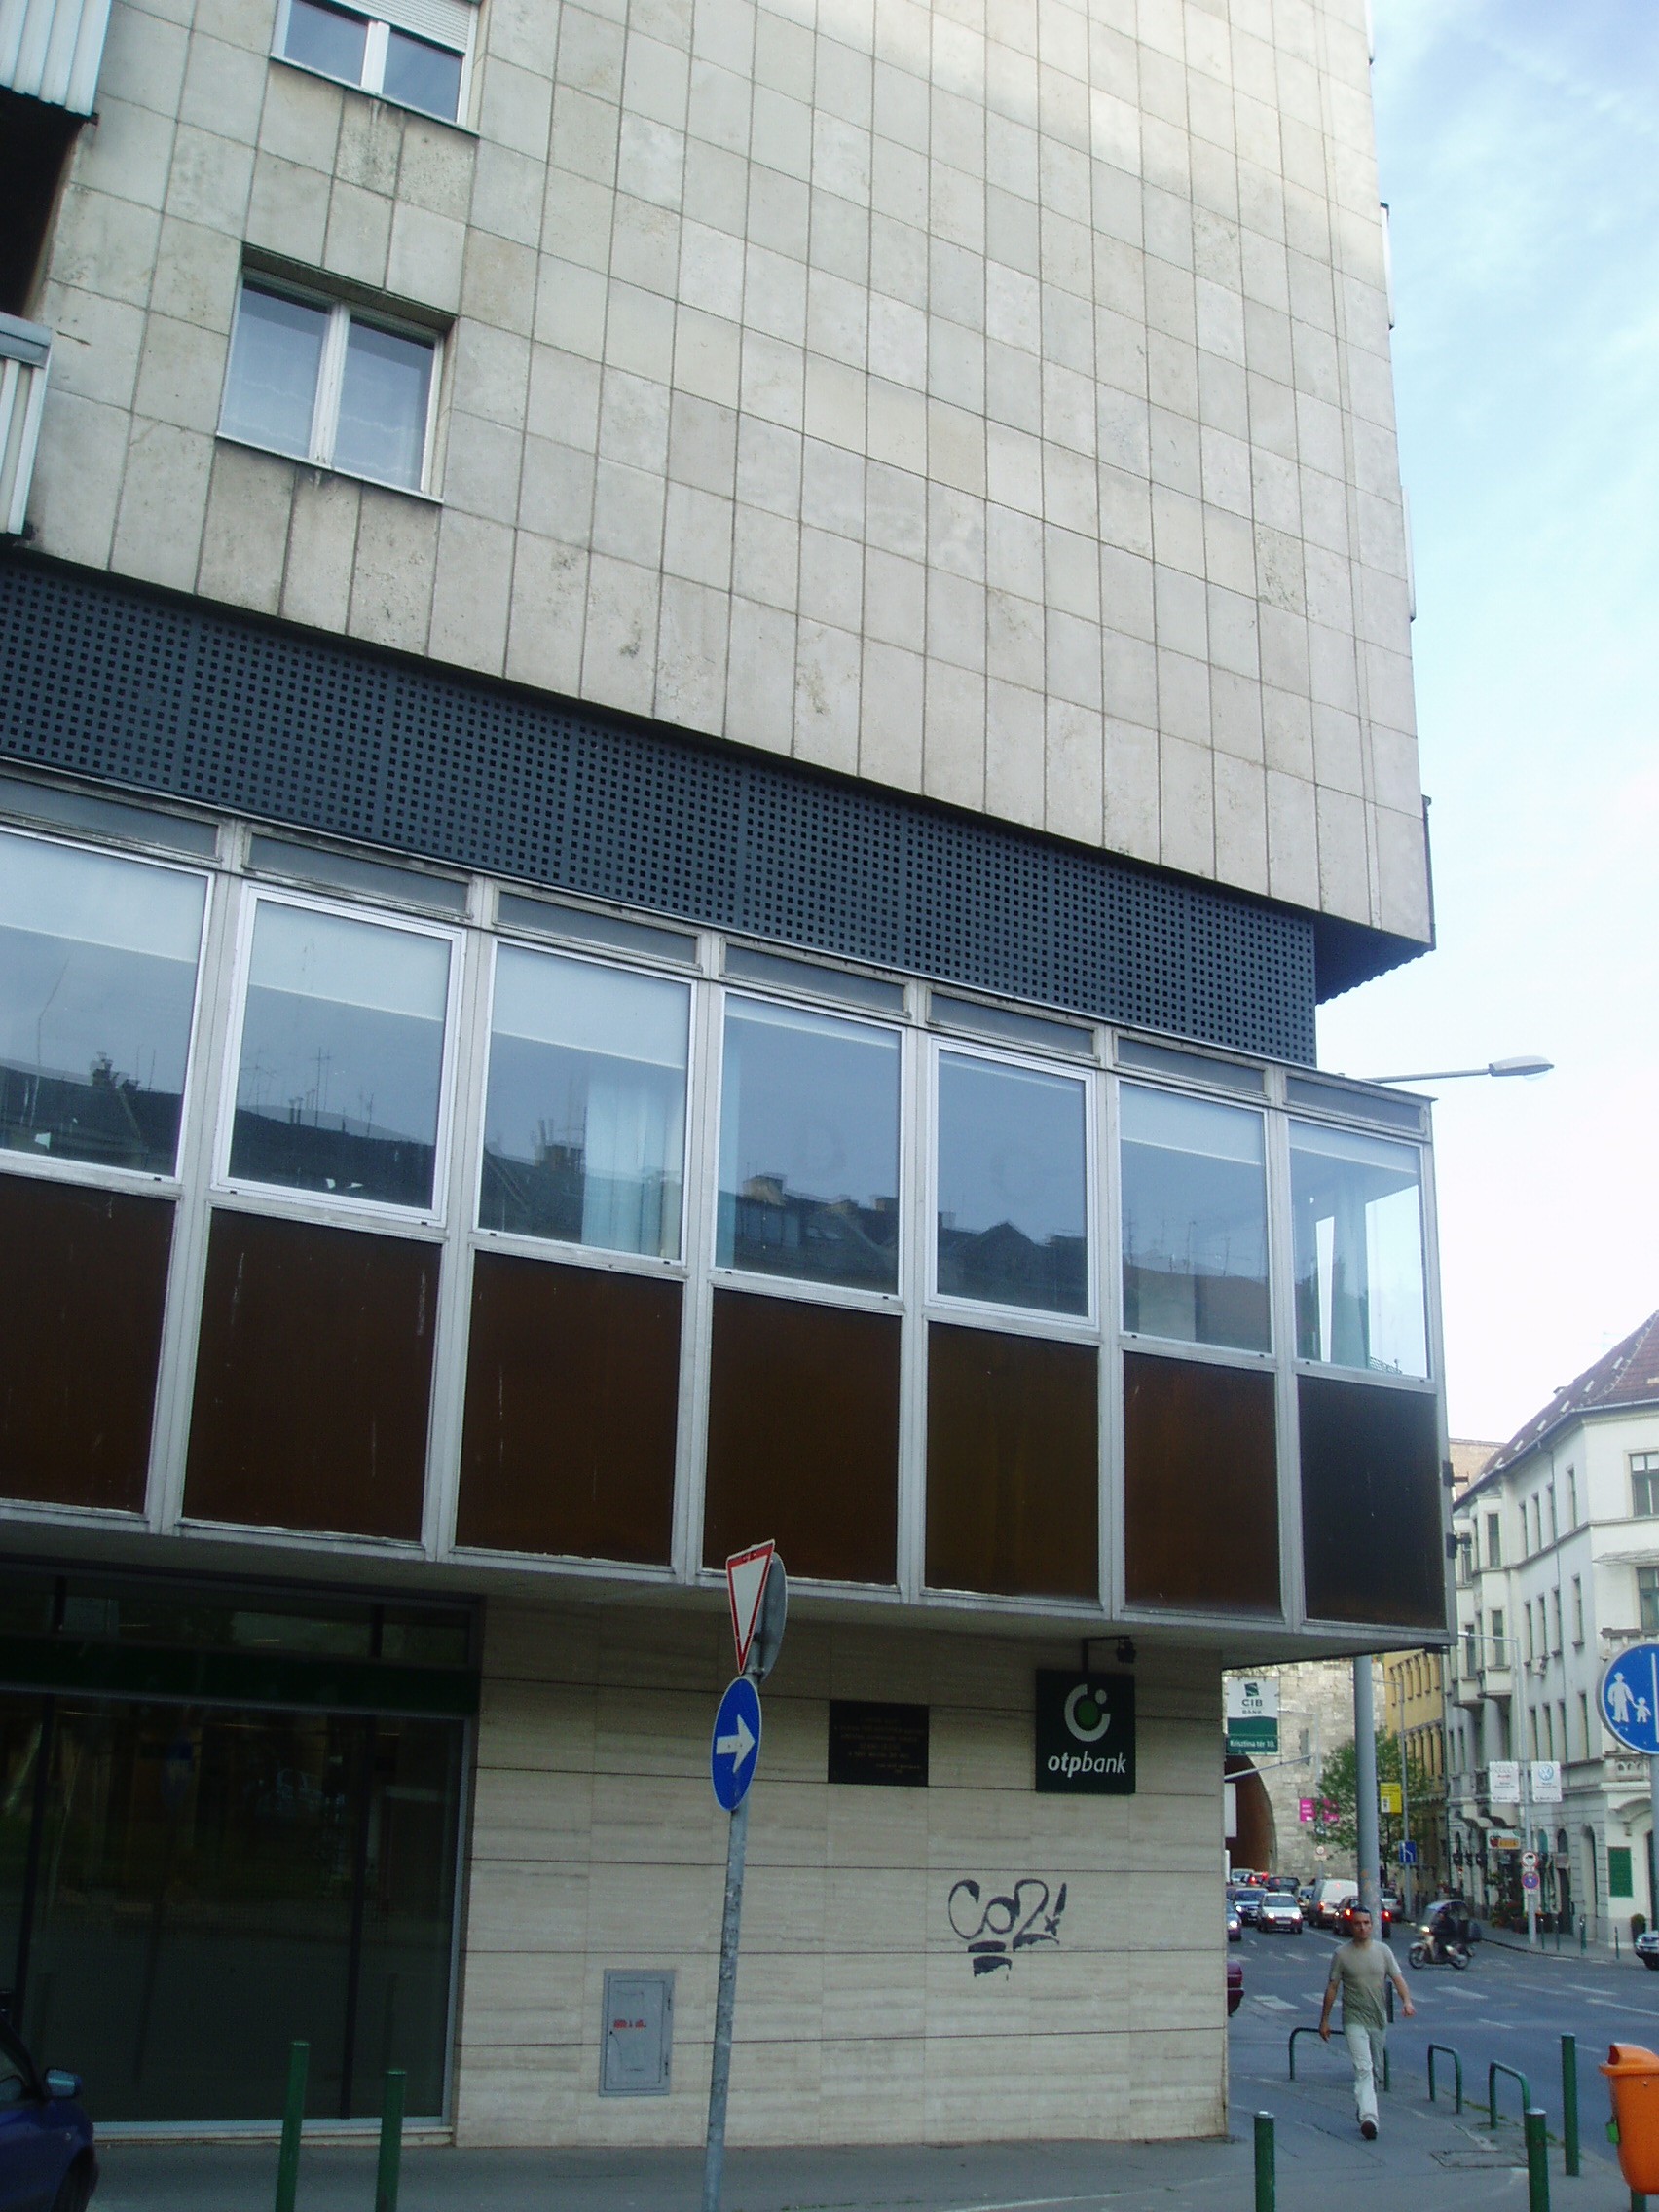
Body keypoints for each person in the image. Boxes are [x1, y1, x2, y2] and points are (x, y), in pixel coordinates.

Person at [1318, 1903, 1414, 2139]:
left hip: (1378, 2018)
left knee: (1374, 2070)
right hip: (1353, 2018)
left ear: (1372, 1926)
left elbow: (1398, 1978)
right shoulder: (1342, 1954)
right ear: (1351, 1926)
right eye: (1358, 1924)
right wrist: (1325, 2020)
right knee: (1363, 2068)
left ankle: (1364, 2105)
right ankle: (1369, 2118)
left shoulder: (1383, 1951)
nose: (1362, 1927)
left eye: (1366, 1923)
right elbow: (1332, 1988)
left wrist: (1407, 2001)